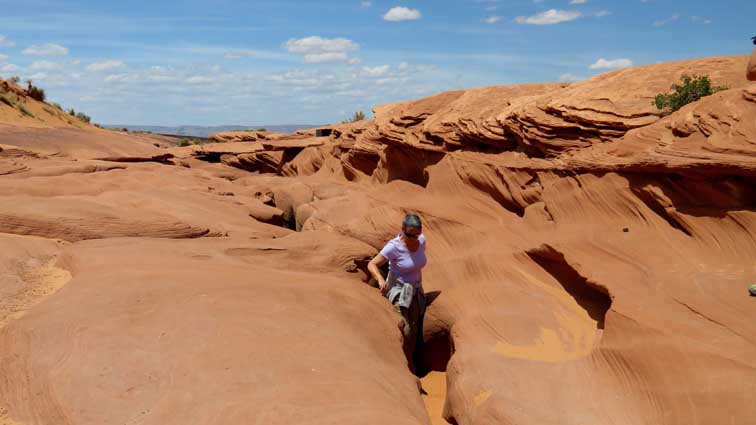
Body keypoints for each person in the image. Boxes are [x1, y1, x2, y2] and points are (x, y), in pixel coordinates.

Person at [368, 214, 428, 373]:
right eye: (410, 234)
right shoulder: (393, 246)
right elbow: (372, 264)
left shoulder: (422, 240)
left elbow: (418, 262)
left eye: (417, 234)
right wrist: (380, 280)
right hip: (399, 292)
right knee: (404, 329)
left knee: (415, 329)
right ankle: (401, 368)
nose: (414, 238)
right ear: (402, 230)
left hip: (415, 290)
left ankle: (412, 363)